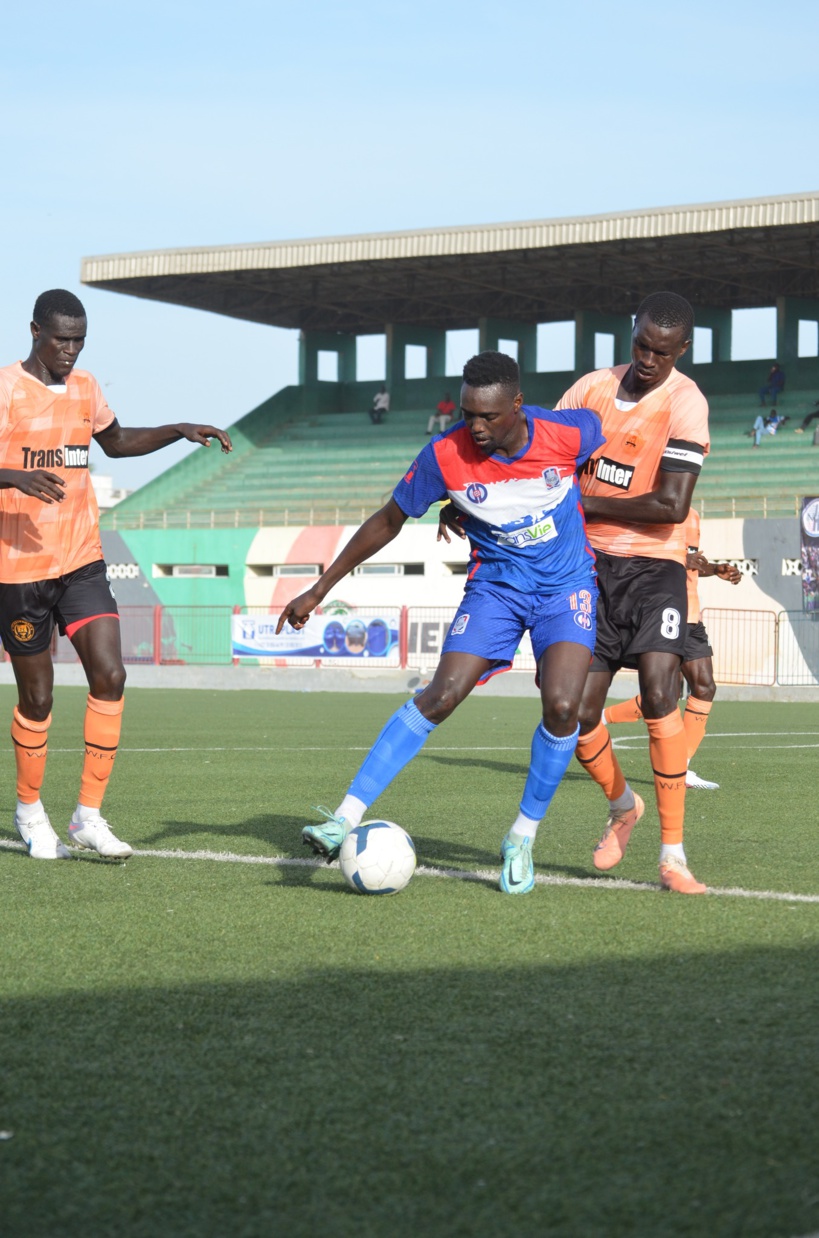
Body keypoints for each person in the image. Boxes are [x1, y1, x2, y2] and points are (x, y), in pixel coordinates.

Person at [277, 351, 604, 894]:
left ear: (517, 405)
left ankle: (521, 837)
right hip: (496, 589)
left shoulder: (568, 432)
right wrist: (319, 588)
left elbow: (606, 454)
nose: (475, 426)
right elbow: (388, 520)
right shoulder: (444, 454)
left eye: (489, 416)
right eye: (468, 413)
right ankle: (345, 816)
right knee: (441, 694)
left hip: (565, 587)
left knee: (565, 706)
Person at [1, 289, 232, 860]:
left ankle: (87, 815)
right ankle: (30, 810)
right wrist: (12, 476)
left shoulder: (87, 387)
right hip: (19, 570)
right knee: (38, 698)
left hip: (81, 560)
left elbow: (118, 442)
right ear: (35, 332)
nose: (71, 351)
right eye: (61, 340)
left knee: (112, 676)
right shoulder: (5, 388)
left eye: (79, 340)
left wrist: (176, 429)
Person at [555, 291, 711, 894]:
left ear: (683, 350)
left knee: (657, 691)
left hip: (655, 569)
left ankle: (672, 856)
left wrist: (580, 501)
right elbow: (548, 459)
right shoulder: (590, 390)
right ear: (632, 334)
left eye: (663, 351)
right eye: (642, 345)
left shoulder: (686, 404)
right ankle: (623, 806)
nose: (649, 359)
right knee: (572, 711)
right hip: (587, 568)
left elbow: (670, 505)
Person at [602, 508, 741, 789]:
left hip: (690, 614)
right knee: (667, 693)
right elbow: (640, 555)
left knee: (704, 686)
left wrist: (715, 569)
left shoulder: (693, 515)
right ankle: (600, 719)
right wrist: (679, 559)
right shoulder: (656, 510)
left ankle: (681, 766)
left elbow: (690, 563)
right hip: (661, 610)